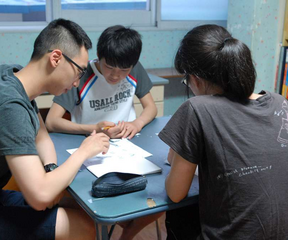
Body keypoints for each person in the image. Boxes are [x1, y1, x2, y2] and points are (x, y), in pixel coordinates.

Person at [158, 24, 288, 239]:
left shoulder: (197, 108)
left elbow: (175, 192)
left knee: (180, 214)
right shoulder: (279, 102)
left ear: (196, 79)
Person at [0, 18, 111, 240]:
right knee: (88, 227)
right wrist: (84, 151)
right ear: (56, 58)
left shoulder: (14, 76)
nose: (77, 83)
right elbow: (40, 196)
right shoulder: (10, 105)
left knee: (76, 202)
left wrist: (51, 169)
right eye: (79, 72)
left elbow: (42, 137)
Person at [45, 25, 157, 140]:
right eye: (109, 67)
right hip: (90, 140)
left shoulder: (134, 68)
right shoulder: (80, 75)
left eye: (124, 70)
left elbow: (151, 107)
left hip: (127, 139)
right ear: (98, 55)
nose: (115, 75)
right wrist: (95, 128)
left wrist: (137, 124)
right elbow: (51, 121)